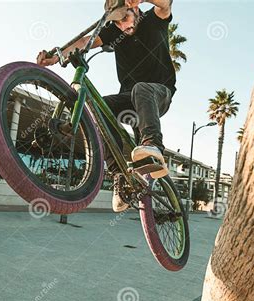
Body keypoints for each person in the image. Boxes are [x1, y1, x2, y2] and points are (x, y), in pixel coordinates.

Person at [37, 0, 175, 212]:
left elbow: (165, 4)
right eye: (117, 22)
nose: (122, 26)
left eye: (124, 18)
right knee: (97, 106)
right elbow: (85, 41)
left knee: (141, 89)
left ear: (134, 8)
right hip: (129, 101)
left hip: (158, 94)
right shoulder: (114, 32)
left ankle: (154, 145)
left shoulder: (153, 21)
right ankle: (119, 176)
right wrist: (57, 56)